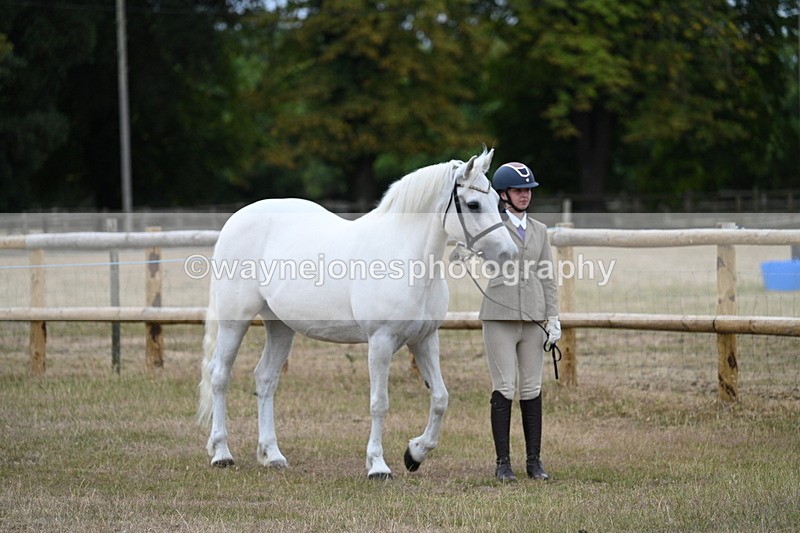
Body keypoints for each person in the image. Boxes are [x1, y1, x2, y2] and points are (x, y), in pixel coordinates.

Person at [479, 161, 560, 482]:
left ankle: (534, 462)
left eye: (527, 190)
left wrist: (553, 317)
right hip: (499, 314)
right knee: (504, 387)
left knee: (531, 387)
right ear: (503, 194)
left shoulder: (540, 231)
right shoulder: (491, 227)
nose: (524, 195)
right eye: (518, 190)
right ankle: (503, 463)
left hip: (534, 317)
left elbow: (548, 277)